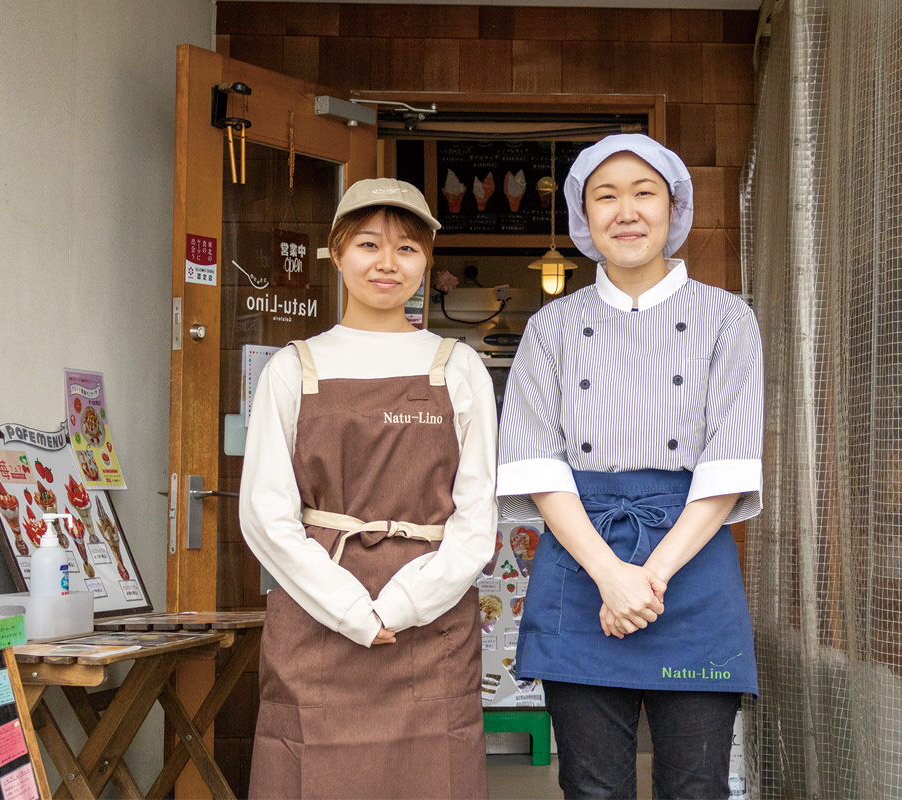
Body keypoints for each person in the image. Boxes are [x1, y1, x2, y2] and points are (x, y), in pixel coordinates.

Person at [497, 134, 763, 800]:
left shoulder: (727, 319)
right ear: (583, 219)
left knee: (696, 785)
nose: (626, 211)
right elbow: (537, 463)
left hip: (691, 565)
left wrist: (649, 578)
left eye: (644, 193)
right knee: (592, 788)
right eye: (604, 196)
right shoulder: (552, 327)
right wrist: (611, 577)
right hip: (582, 561)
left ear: (675, 209)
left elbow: (728, 465)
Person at [240, 178, 497, 799]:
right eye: (368, 244)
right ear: (335, 250)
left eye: (408, 248)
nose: (388, 263)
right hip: (318, 615)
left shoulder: (457, 366)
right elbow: (265, 516)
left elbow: (476, 518)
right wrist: (352, 609)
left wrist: (404, 605)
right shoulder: (293, 367)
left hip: (430, 624)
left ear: (427, 260)